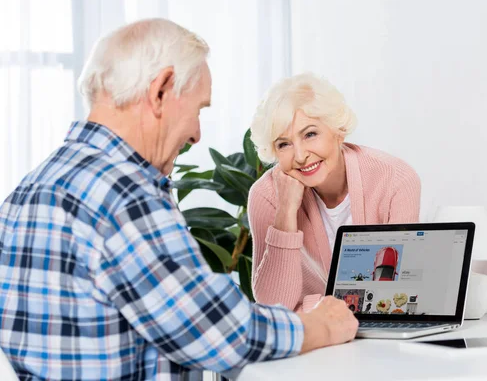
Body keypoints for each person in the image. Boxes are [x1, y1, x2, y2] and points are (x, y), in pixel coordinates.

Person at [0, 19, 358, 380]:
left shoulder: (28, 191)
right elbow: (215, 330)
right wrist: (320, 327)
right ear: (161, 90)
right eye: (199, 109)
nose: (197, 134)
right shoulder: (124, 193)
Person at [249, 73, 421, 312]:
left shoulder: (395, 180)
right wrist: (286, 212)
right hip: (311, 343)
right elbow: (273, 308)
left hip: (382, 339)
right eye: (284, 144)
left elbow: (391, 295)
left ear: (338, 131)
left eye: (310, 134)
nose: (299, 156)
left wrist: (314, 306)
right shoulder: (266, 195)